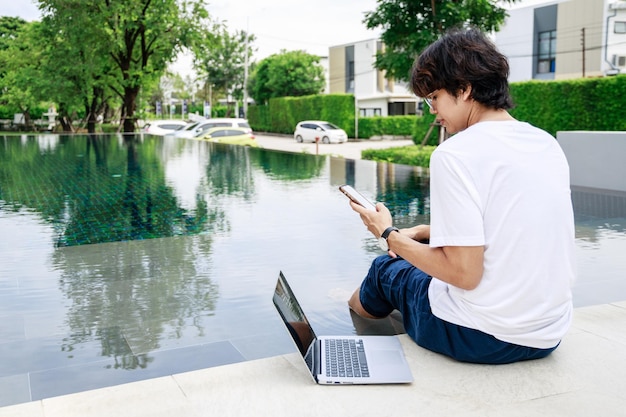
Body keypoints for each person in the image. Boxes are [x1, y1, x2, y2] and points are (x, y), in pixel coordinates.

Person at [347, 27, 575, 364]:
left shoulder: (455, 154)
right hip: (547, 334)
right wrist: (426, 232)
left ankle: (350, 325)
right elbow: (512, 232)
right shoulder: (546, 143)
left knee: (384, 269)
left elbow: (464, 274)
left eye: (434, 97)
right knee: (414, 259)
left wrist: (388, 234)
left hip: (479, 337)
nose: (431, 109)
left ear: (464, 89)